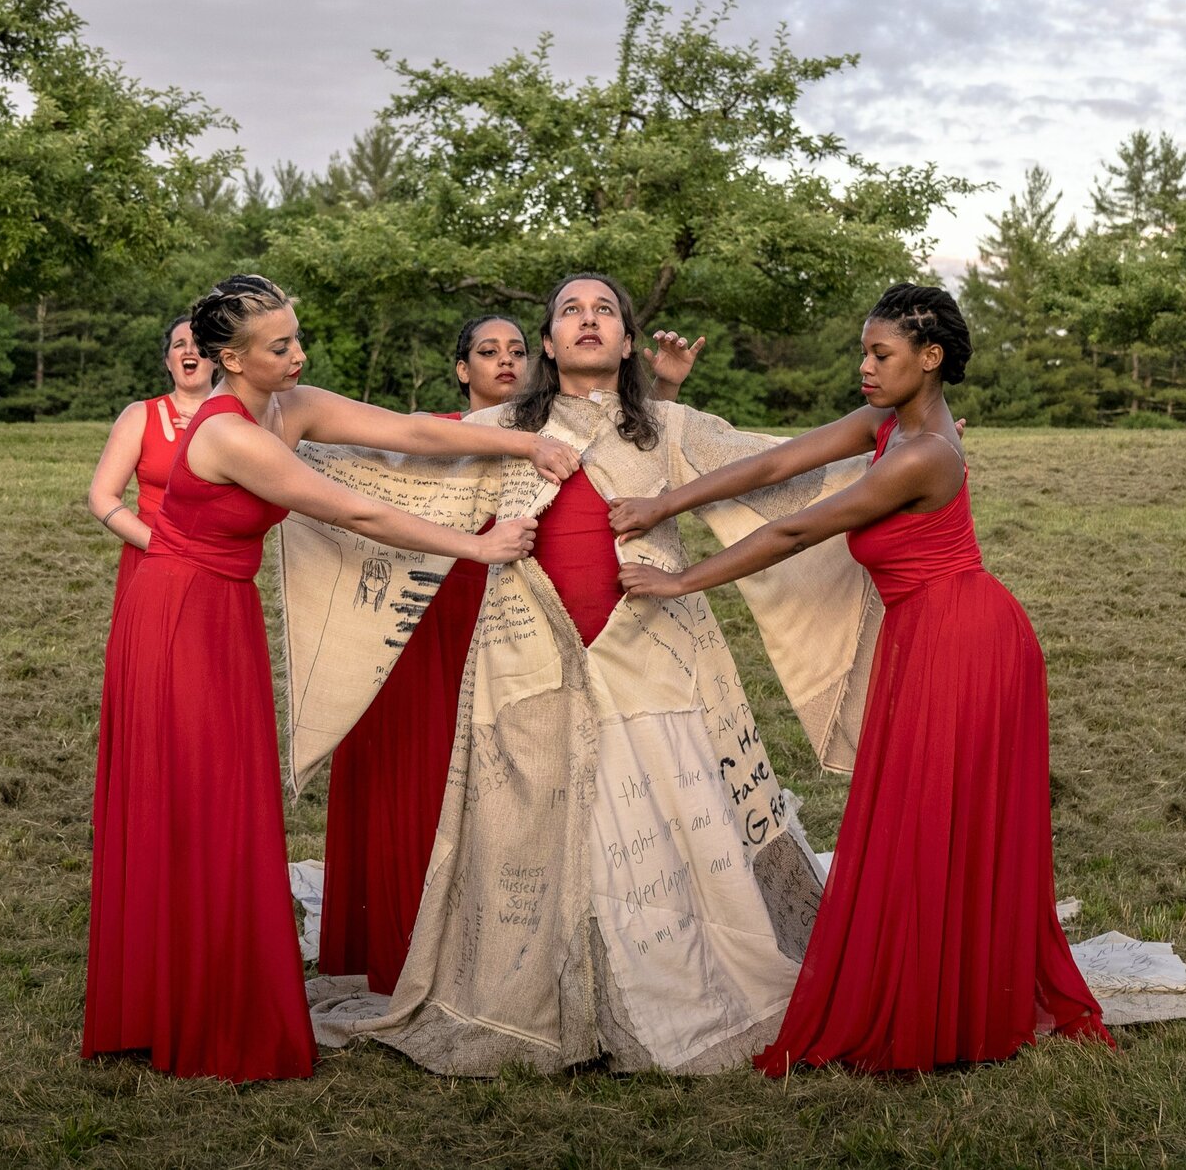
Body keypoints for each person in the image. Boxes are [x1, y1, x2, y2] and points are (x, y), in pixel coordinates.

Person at [287, 274, 883, 1075]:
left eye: (605, 310)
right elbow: (400, 457)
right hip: (526, 658)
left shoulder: (668, 425)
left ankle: (669, 993)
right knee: (535, 818)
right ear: (549, 340)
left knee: (660, 822)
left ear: (629, 341)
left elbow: (772, 465)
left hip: (650, 654)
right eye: (571, 310)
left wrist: (889, 438)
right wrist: (279, 433)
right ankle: (532, 1001)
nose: (589, 319)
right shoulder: (504, 428)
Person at [79, 275, 573, 1082]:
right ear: (233, 359)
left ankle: (195, 988)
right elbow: (352, 510)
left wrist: (524, 444)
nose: (299, 354)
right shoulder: (228, 432)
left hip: (223, 609)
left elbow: (410, 431)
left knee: (225, 799)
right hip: (174, 615)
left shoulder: (291, 403)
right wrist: (476, 546)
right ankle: (186, 1004)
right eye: (280, 346)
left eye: (296, 337)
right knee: (199, 799)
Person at [611, 283, 1110, 1072]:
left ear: (930, 356)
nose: (865, 367)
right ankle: (937, 980)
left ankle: (945, 999)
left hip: (967, 644)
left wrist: (680, 579)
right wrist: (663, 500)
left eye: (881, 353)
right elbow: (775, 462)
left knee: (932, 817)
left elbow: (797, 528)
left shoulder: (923, 453)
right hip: (925, 635)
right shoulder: (888, 423)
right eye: (864, 352)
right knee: (920, 819)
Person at [317, 312, 711, 995]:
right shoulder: (444, 432)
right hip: (443, 607)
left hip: (523, 613)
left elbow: (627, 456)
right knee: (433, 766)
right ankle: (414, 928)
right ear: (461, 368)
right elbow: (371, 488)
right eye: (486, 351)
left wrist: (665, 392)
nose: (505, 360)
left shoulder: (554, 433)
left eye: (517, 349)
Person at [84, 315, 214, 620]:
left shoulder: (239, 419)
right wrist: (160, 545)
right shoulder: (139, 415)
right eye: (179, 344)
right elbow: (101, 498)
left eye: (198, 344)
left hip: (214, 556)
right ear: (168, 361)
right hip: (151, 554)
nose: (189, 350)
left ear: (216, 359)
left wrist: (210, 433)